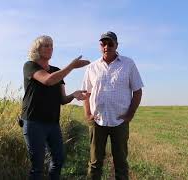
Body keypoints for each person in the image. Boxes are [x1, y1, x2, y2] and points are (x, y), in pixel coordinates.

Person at [21, 35, 90, 180]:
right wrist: (72, 66)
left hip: (53, 124)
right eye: (46, 45)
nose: (50, 48)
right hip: (34, 123)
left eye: (51, 45)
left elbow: (62, 99)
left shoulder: (56, 70)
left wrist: (73, 95)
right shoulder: (30, 66)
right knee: (37, 167)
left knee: (58, 160)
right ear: (37, 49)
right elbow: (48, 80)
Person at [82, 31, 144, 180]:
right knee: (95, 163)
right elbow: (86, 93)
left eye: (110, 43)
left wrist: (130, 115)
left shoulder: (128, 64)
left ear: (116, 45)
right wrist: (88, 114)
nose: (107, 46)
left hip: (120, 121)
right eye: (103, 43)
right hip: (97, 121)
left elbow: (137, 91)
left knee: (121, 163)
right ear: (100, 46)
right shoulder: (92, 67)